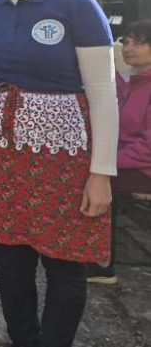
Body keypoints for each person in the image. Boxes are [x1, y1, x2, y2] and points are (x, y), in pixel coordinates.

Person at [0, 0, 117, 347]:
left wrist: (101, 173)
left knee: (65, 264)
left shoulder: (76, 4)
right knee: (10, 263)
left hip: (63, 159)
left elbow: (103, 93)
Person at [87, 20, 151, 285]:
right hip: (125, 158)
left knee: (97, 180)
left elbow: (147, 148)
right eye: (126, 42)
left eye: (139, 42)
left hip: (141, 166)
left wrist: (104, 162)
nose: (129, 48)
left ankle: (101, 263)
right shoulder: (125, 80)